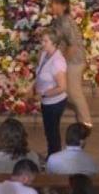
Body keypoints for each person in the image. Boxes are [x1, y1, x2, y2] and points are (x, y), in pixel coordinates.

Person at [47, 0, 92, 128]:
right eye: (52, 3)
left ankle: (86, 124)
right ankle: (82, 121)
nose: (52, 6)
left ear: (64, 6)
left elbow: (72, 44)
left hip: (74, 61)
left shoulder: (66, 21)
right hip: (69, 60)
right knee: (69, 92)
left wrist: (63, 62)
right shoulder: (58, 21)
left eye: (55, 3)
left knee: (75, 93)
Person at [34, 29, 68, 157]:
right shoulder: (45, 54)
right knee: (49, 132)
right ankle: (52, 155)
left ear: (54, 42)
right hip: (46, 101)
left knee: (52, 133)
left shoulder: (57, 61)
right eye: (42, 40)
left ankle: (54, 158)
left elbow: (62, 87)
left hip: (55, 102)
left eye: (45, 41)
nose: (42, 43)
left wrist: (42, 94)